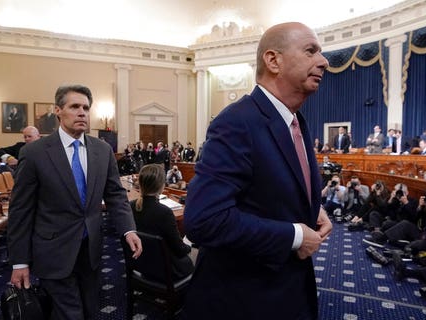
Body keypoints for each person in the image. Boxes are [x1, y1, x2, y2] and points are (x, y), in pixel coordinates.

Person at [183, 22, 332, 320]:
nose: (324, 61)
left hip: (287, 290)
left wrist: (308, 208)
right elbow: (204, 220)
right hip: (244, 298)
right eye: (310, 51)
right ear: (273, 60)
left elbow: (270, 187)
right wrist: (295, 235)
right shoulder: (237, 121)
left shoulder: (296, 120)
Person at [8, 85, 142, 319]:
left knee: (91, 309)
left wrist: (128, 229)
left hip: (90, 250)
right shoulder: (35, 153)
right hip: (53, 251)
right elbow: (21, 210)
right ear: (58, 111)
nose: (82, 113)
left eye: (86, 108)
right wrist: (19, 262)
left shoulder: (102, 150)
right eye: (75, 107)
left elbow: (115, 195)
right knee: (69, 314)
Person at [131, 164, 194, 280]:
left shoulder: (131, 206)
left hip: (141, 264)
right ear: (161, 186)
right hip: (166, 271)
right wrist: (189, 245)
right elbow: (180, 251)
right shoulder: (165, 213)